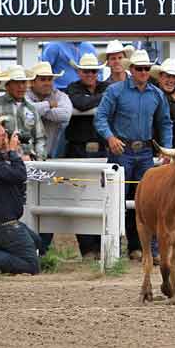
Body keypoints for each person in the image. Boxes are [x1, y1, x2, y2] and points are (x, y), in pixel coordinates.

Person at [94, 49, 172, 260]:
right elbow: (100, 117)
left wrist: (166, 149)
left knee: (148, 200)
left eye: (147, 69)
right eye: (140, 69)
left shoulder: (155, 94)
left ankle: (147, 249)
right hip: (123, 150)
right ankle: (118, 249)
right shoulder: (116, 91)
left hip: (143, 152)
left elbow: (165, 123)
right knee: (121, 199)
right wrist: (110, 137)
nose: (144, 72)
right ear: (131, 70)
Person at [0, 114, 43, 274]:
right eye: (2, 135)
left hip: (1, 222)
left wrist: (9, 153)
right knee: (31, 265)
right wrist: (13, 152)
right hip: (1, 225)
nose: (6, 137)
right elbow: (19, 175)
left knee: (37, 242)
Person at [65, 53, 110, 259]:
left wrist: (92, 99)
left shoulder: (101, 88)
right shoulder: (74, 88)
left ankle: (100, 247)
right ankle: (88, 249)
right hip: (79, 148)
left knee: (103, 197)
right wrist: (103, 98)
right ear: (79, 72)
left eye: (93, 71)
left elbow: (84, 103)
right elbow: (80, 104)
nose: (91, 74)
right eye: (87, 71)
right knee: (80, 197)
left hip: (101, 147)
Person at [0, 65, 46, 161]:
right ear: (7, 85)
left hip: (29, 159)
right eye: (16, 83)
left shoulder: (32, 108)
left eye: (23, 82)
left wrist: (38, 160)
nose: (21, 86)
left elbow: (40, 138)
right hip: (5, 160)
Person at [26, 61, 73, 158]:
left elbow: (66, 114)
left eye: (50, 79)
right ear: (32, 82)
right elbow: (25, 110)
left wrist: (38, 110)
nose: (47, 83)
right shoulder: (24, 94)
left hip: (49, 154)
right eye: (43, 79)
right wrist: (48, 105)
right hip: (26, 155)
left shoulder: (59, 95)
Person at [149, 58, 175, 147]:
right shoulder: (150, 92)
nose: (171, 80)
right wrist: (172, 98)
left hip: (174, 148)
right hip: (150, 147)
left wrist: (169, 99)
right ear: (159, 77)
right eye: (168, 76)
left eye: (174, 77)